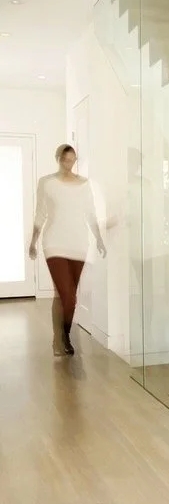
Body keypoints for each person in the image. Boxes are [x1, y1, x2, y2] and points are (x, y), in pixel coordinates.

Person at [29, 144, 106, 356]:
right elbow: (40, 213)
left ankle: (62, 335)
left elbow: (90, 213)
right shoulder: (46, 182)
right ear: (58, 159)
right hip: (54, 243)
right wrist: (33, 241)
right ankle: (62, 337)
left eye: (72, 160)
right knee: (67, 295)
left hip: (79, 243)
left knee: (67, 296)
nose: (68, 164)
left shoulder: (84, 184)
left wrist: (99, 239)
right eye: (65, 160)